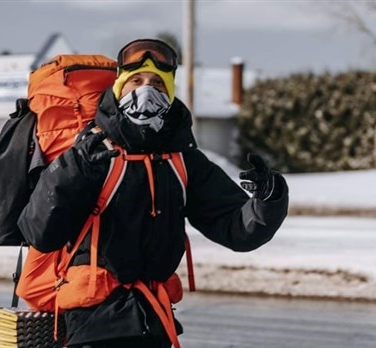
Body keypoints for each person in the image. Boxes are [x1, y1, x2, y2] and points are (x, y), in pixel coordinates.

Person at [17, 38, 289, 348]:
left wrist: (268, 200)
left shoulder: (182, 160)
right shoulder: (92, 151)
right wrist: (74, 168)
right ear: (119, 87)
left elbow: (238, 229)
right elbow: (39, 231)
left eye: (158, 83)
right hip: (93, 323)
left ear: (171, 92)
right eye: (136, 80)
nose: (146, 90)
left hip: (153, 319)